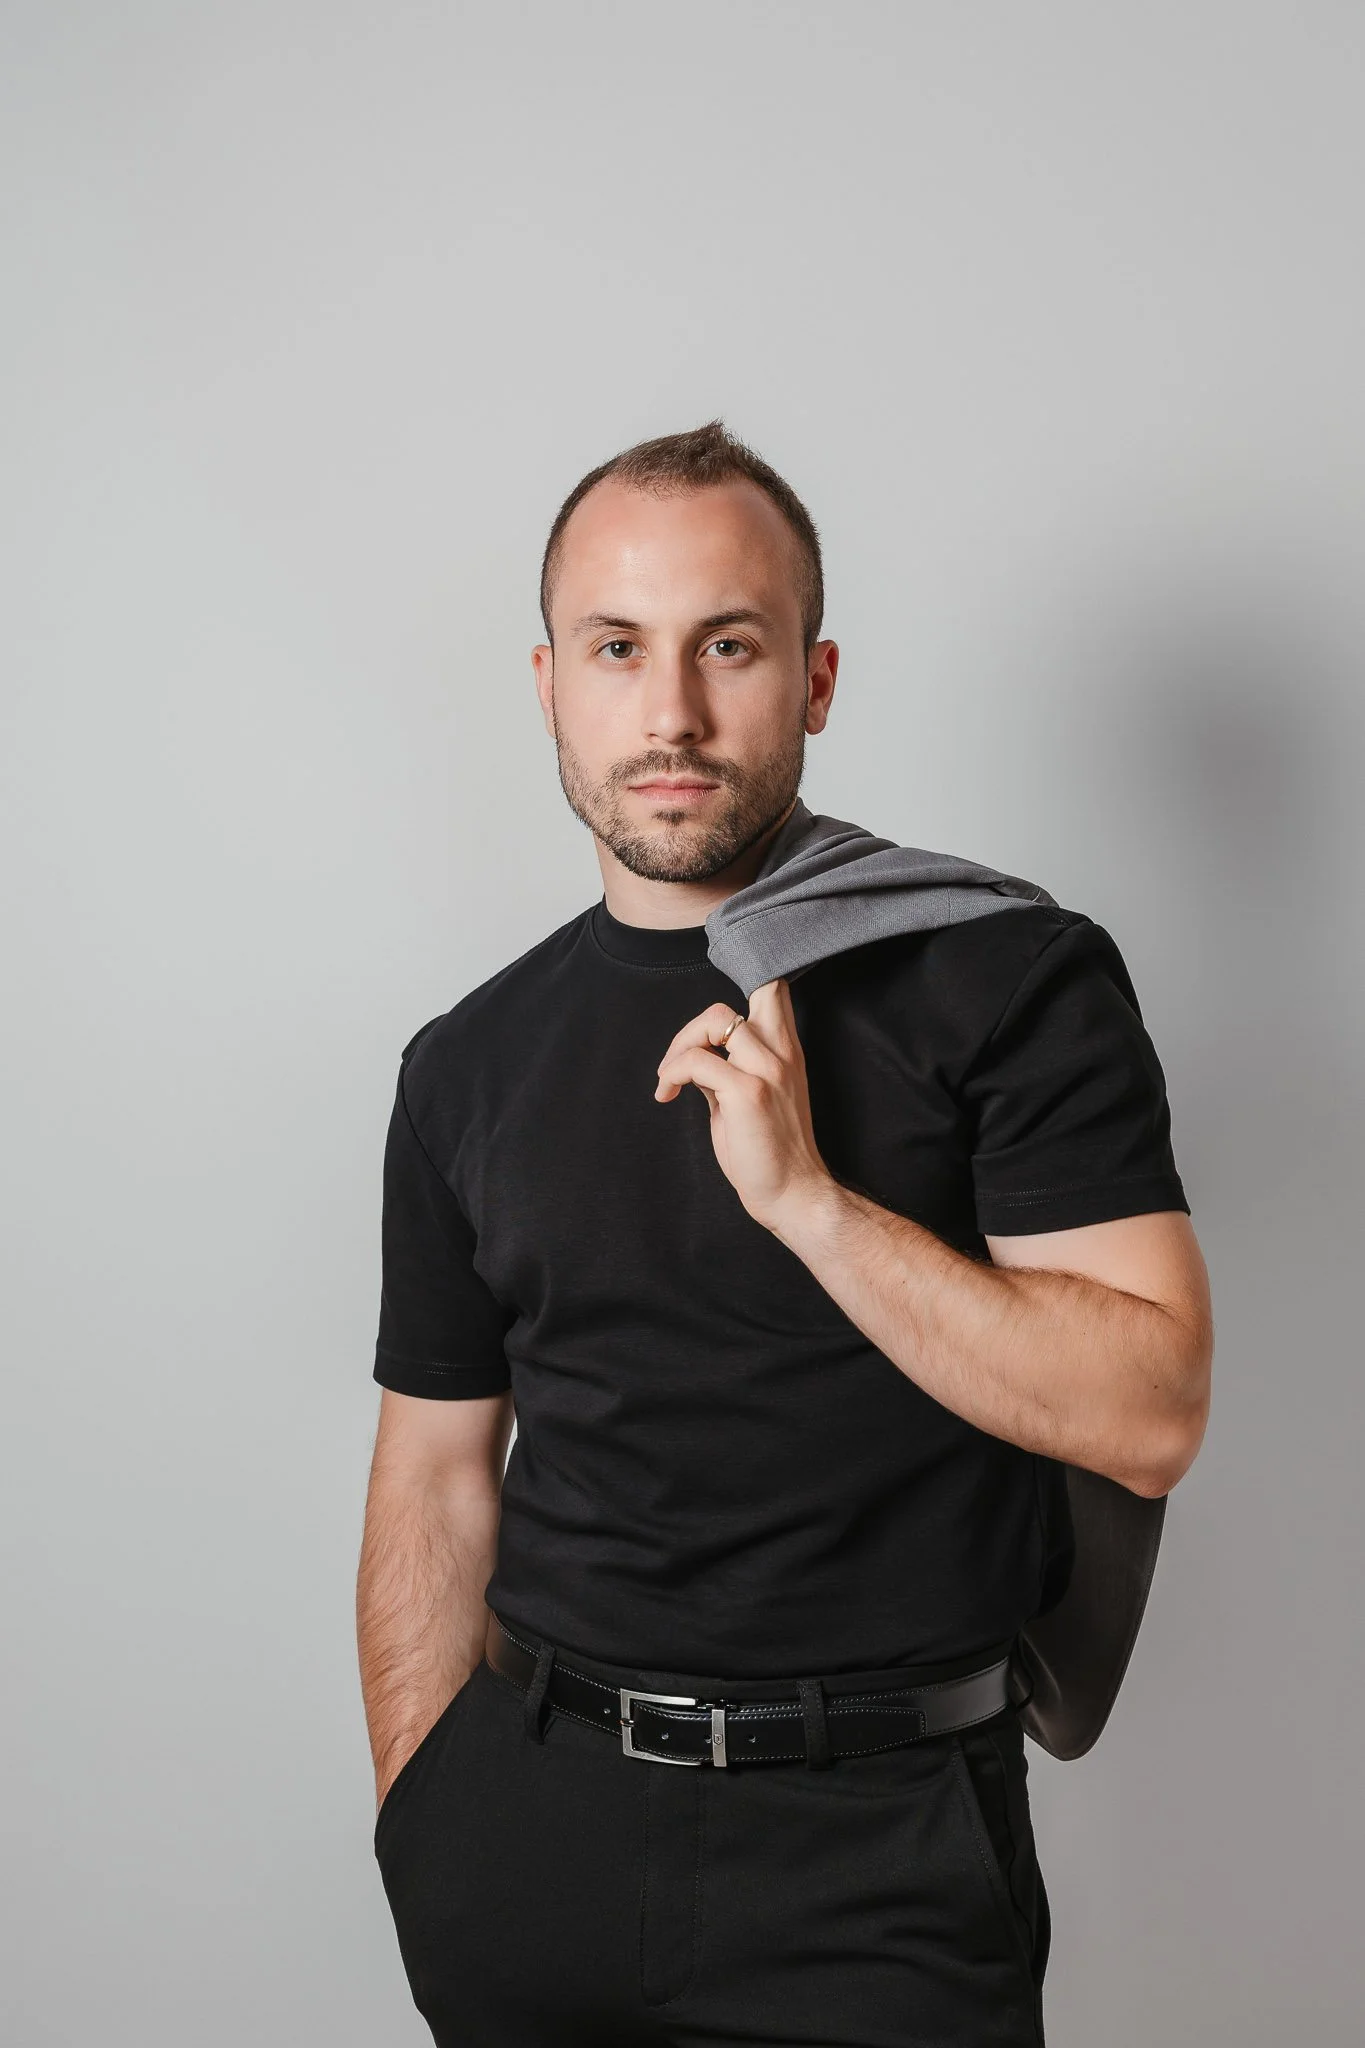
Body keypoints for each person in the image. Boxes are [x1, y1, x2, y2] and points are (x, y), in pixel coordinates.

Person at [355, 420, 1213, 2048]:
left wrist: (814, 1209)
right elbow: (438, 1475)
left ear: (815, 680)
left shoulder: (1006, 980)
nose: (670, 712)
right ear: (550, 683)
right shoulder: (466, 1063)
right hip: (531, 1844)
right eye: (619, 649)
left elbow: (1152, 1413)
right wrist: (426, 1817)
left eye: (728, 647)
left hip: (878, 1854)